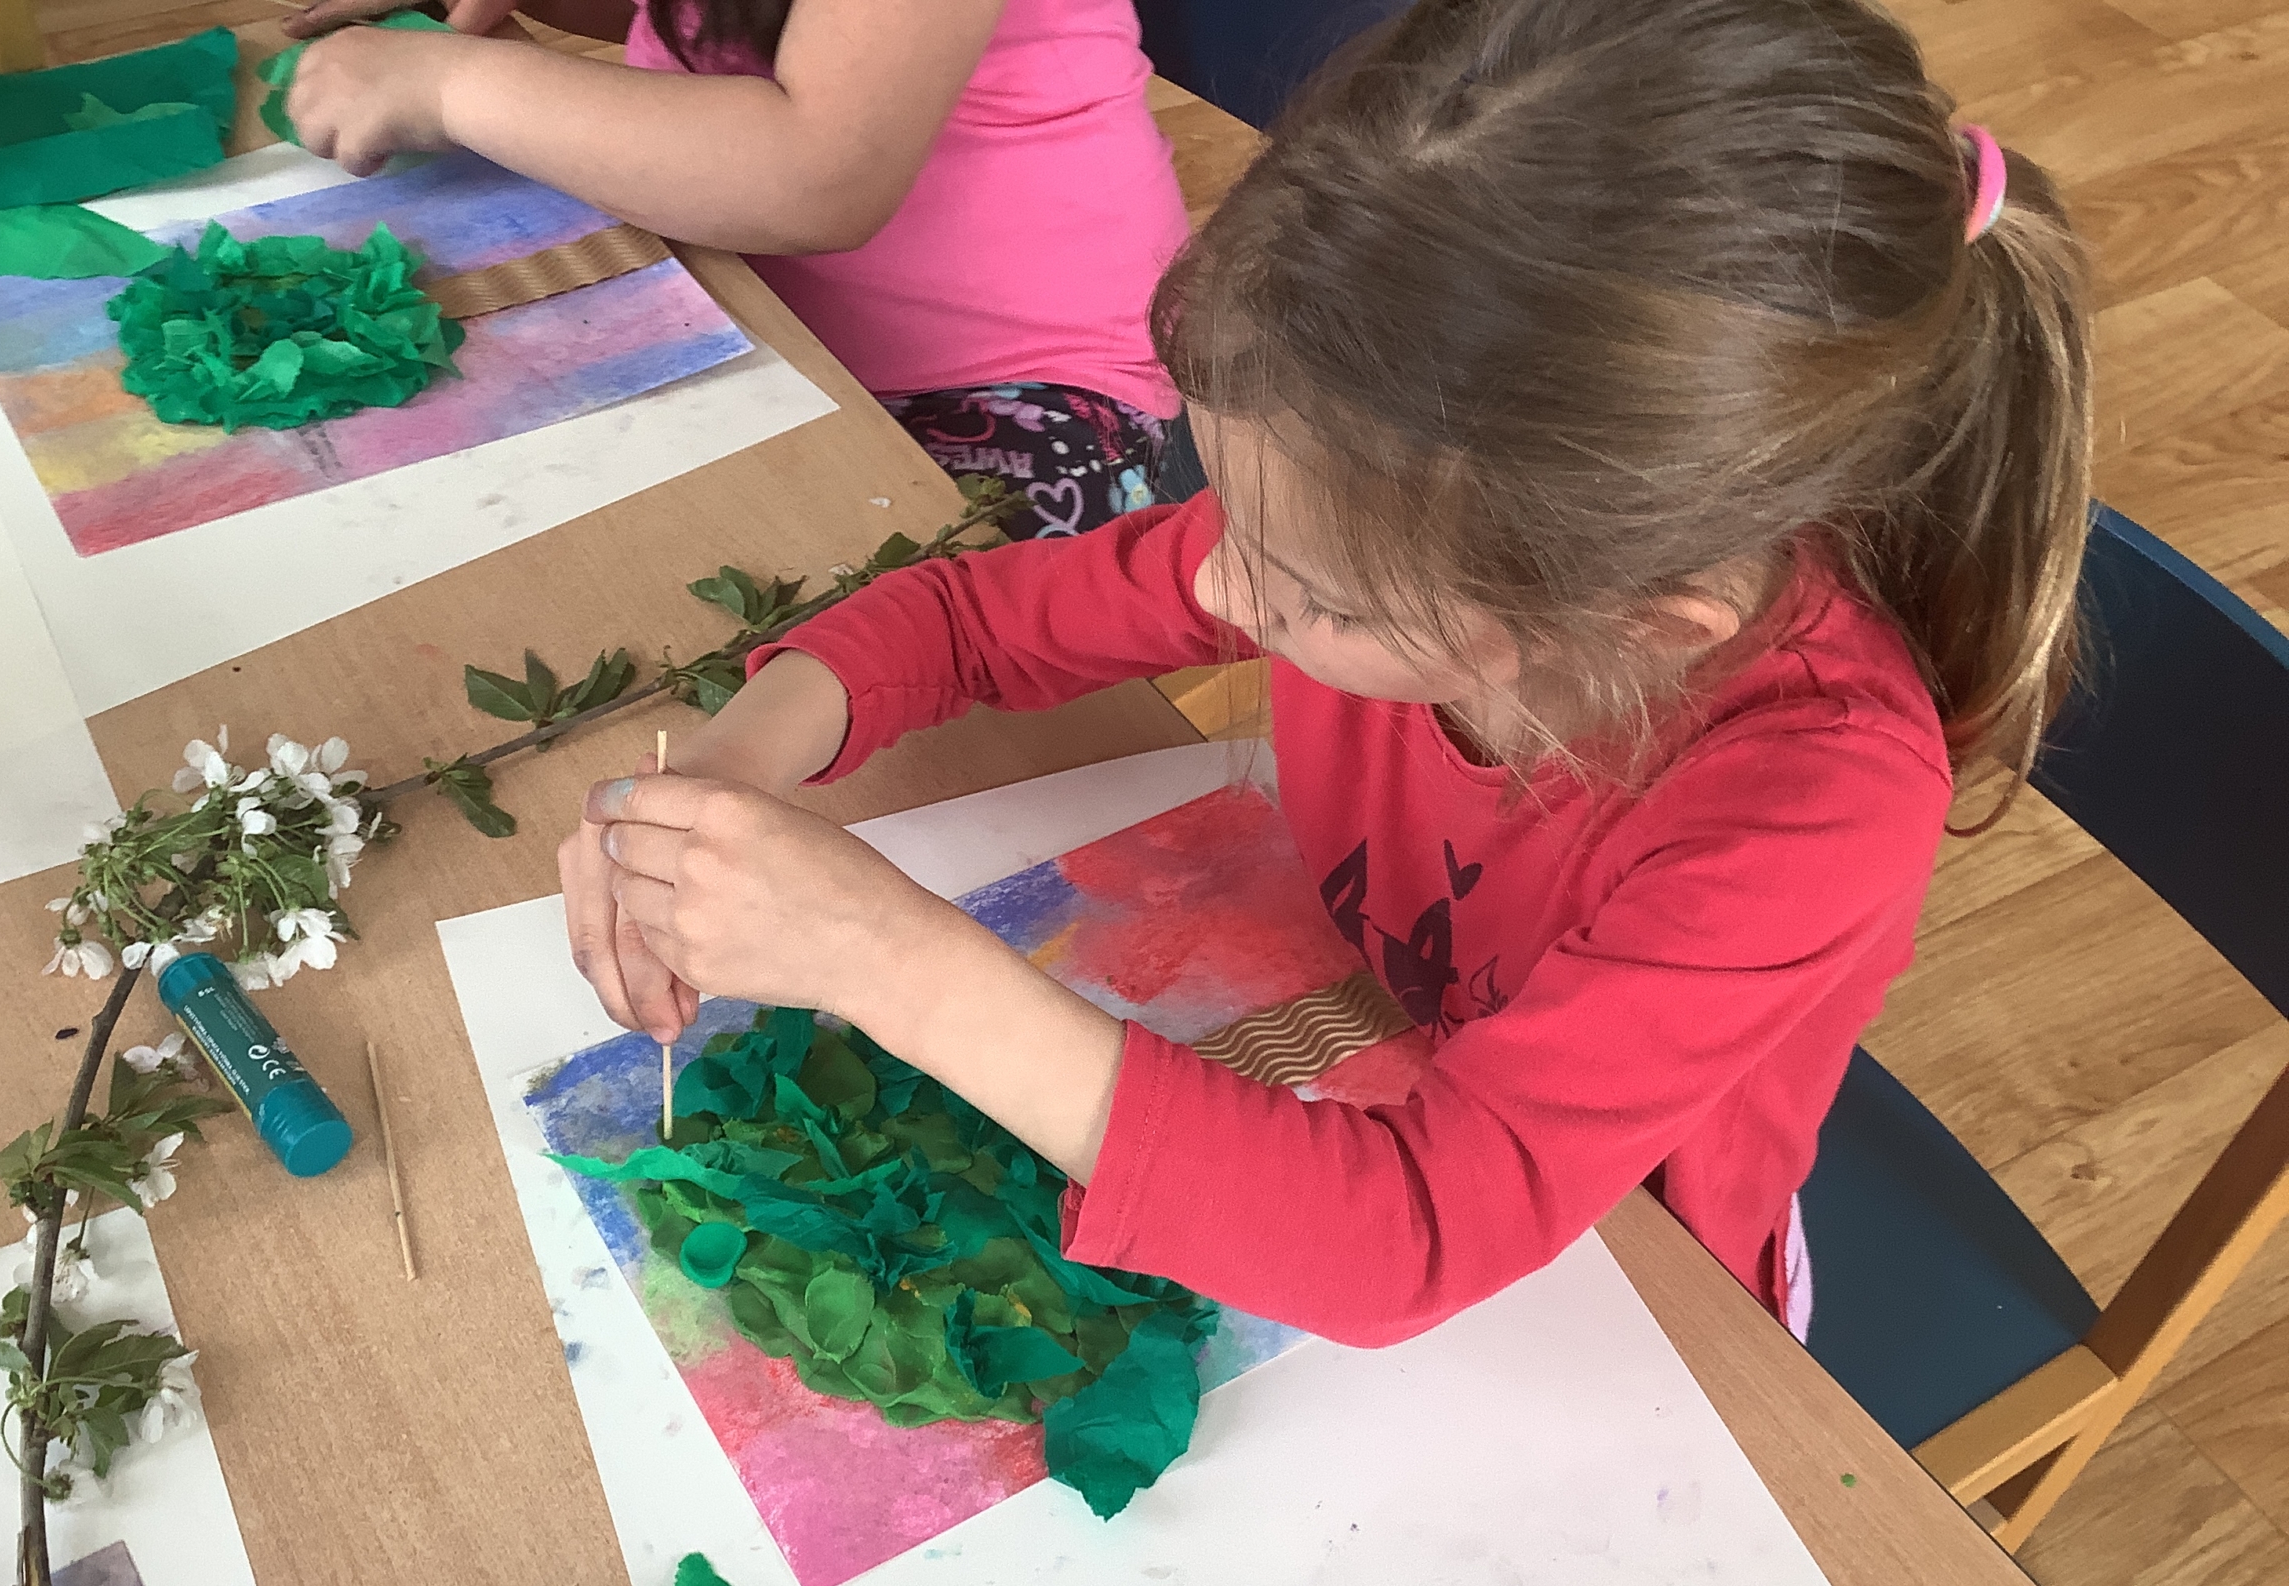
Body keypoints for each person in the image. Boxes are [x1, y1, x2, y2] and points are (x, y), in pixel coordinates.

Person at [557, 0, 2093, 1345]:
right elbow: (978, 623)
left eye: (1311, 594)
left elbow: (1416, 1231)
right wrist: (740, 764)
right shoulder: (1389, 512)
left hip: (1624, 1303)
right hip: (1364, 1057)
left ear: (1639, 620)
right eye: (1240, 521)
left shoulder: (1815, 801)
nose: (1224, 589)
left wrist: (882, 959)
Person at [275, 0, 1191, 537]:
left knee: (899, 678)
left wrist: (451, 85)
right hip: (755, 311)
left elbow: (818, 177)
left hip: (1017, 387)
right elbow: (712, 23)